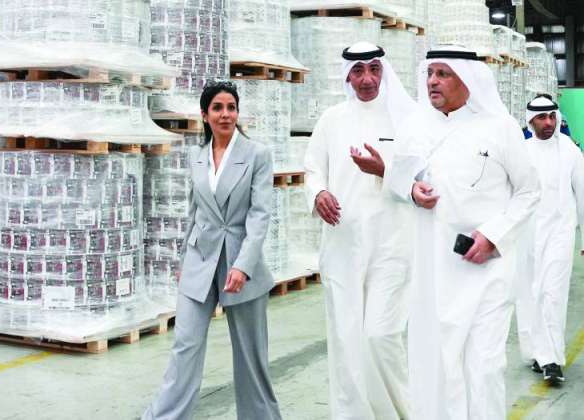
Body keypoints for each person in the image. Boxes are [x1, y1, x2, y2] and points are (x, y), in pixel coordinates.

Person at [384, 45, 539, 419]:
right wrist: (410, 190)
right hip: (433, 272)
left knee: (484, 368)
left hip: (486, 270)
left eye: (443, 74)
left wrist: (493, 236)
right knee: (438, 367)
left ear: (468, 79)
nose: (432, 81)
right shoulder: (414, 127)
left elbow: (529, 191)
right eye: (430, 73)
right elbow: (396, 180)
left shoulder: (499, 127)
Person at [143, 80, 281, 420]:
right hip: (199, 260)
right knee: (184, 346)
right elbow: (194, 212)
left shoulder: (257, 154)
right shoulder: (197, 156)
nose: (225, 114)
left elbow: (260, 215)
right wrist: (183, 261)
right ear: (205, 115)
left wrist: (243, 265)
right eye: (217, 108)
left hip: (241, 263)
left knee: (250, 357)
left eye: (231, 107)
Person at [303, 42, 416, 420]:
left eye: (373, 69)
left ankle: (401, 412)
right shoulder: (331, 119)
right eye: (358, 71)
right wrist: (318, 192)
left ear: (384, 71)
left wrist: (385, 170)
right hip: (343, 245)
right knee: (346, 338)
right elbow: (312, 168)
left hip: (392, 243)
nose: (367, 79)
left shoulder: (406, 119)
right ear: (347, 76)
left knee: (381, 335)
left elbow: (422, 179)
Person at [514, 95, 584, 384]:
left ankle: (552, 359)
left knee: (553, 294)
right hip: (526, 236)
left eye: (552, 116)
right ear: (530, 121)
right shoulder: (520, 151)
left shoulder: (570, 151)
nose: (548, 122)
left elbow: (583, 194)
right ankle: (535, 353)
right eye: (541, 118)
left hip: (560, 233)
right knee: (529, 294)